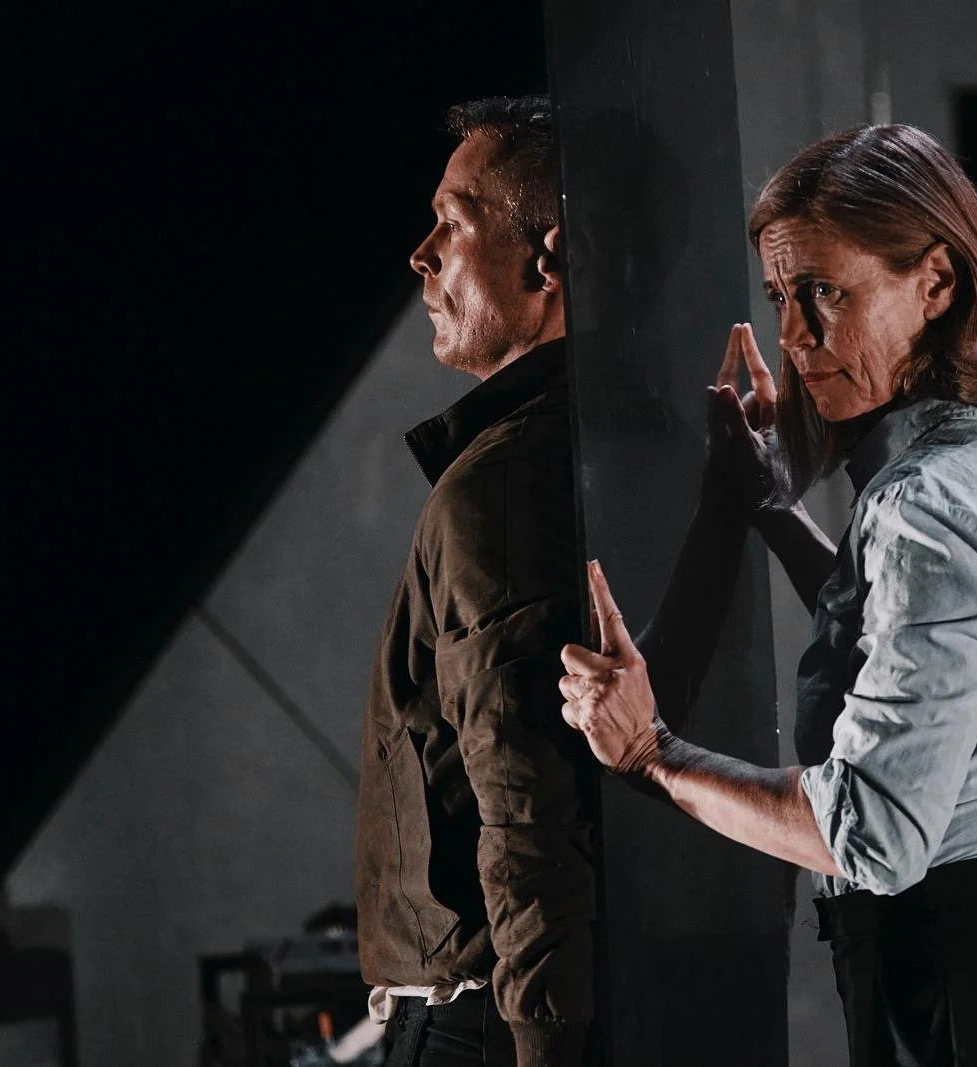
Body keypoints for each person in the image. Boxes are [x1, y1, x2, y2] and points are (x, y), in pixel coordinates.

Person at [559, 124, 977, 1065]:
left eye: (826, 292)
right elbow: (930, 644)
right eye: (780, 297)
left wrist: (650, 753)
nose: (793, 336)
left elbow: (872, 834)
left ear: (936, 282)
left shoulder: (926, 505)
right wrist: (772, 506)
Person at [353, 96, 595, 1067]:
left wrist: (544, 1045)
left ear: (546, 259)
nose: (422, 256)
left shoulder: (499, 483)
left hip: (479, 1023)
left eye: (451, 225)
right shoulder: (583, 445)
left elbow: (526, 800)